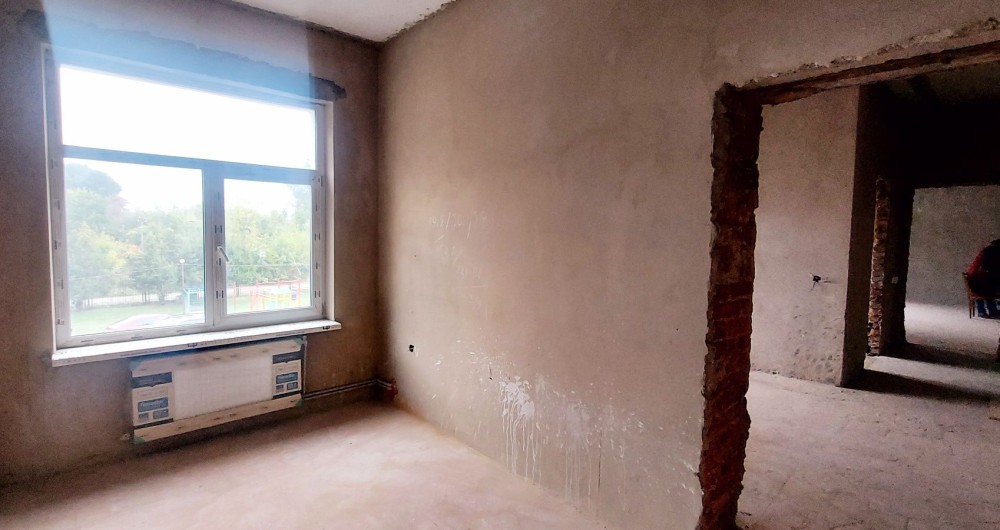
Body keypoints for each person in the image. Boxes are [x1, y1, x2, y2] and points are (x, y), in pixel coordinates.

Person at [966, 239, 1000, 318]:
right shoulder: (994, 254)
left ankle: (982, 311)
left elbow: (972, 270)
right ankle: (992, 311)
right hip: (992, 285)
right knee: (989, 288)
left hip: (983, 284)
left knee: (981, 287)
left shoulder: (985, 252)